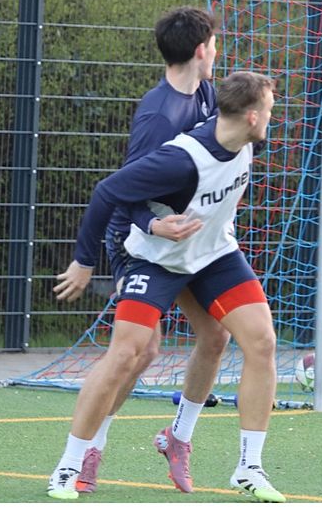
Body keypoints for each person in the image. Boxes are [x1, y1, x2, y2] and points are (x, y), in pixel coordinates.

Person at [49, 72, 283, 502]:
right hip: (155, 259)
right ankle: (70, 463)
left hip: (214, 255)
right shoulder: (180, 159)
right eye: (269, 110)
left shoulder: (247, 137)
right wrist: (84, 261)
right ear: (252, 116)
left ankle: (247, 466)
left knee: (260, 341)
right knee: (128, 353)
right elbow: (108, 192)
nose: (273, 117)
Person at [53, 6, 230, 494]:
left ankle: (179, 437)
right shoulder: (158, 117)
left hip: (187, 240)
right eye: (215, 44)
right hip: (138, 239)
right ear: (201, 50)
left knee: (216, 335)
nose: (218, 51)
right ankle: (87, 450)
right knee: (139, 350)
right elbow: (121, 192)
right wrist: (92, 255)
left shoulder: (207, 93)